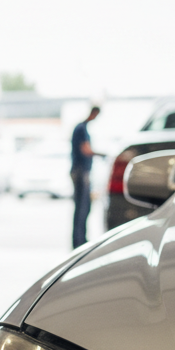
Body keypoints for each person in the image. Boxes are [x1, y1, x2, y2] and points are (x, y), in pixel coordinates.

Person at [71, 105, 102, 248]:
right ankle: (78, 241)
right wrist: (101, 154)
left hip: (82, 171)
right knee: (82, 207)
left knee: (85, 206)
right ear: (93, 113)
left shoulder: (82, 128)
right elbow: (85, 149)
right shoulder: (81, 128)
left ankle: (80, 238)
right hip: (80, 172)